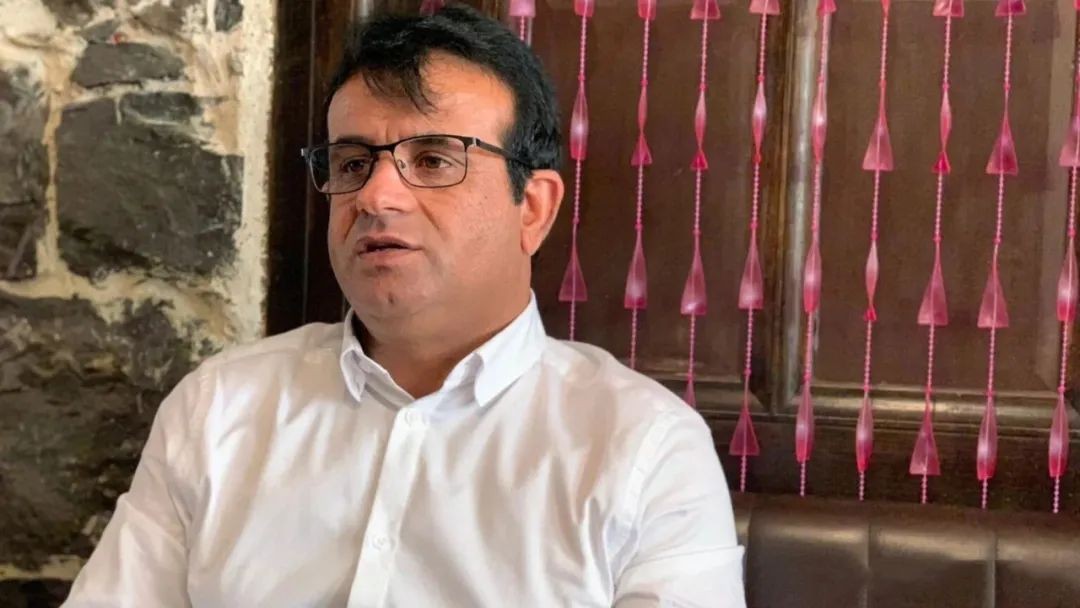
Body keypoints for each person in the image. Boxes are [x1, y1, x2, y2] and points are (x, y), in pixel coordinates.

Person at [63, 5, 745, 607]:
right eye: (352, 163)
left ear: (532, 208)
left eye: (434, 159)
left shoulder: (645, 449)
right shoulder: (217, 409)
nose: (375, 197)